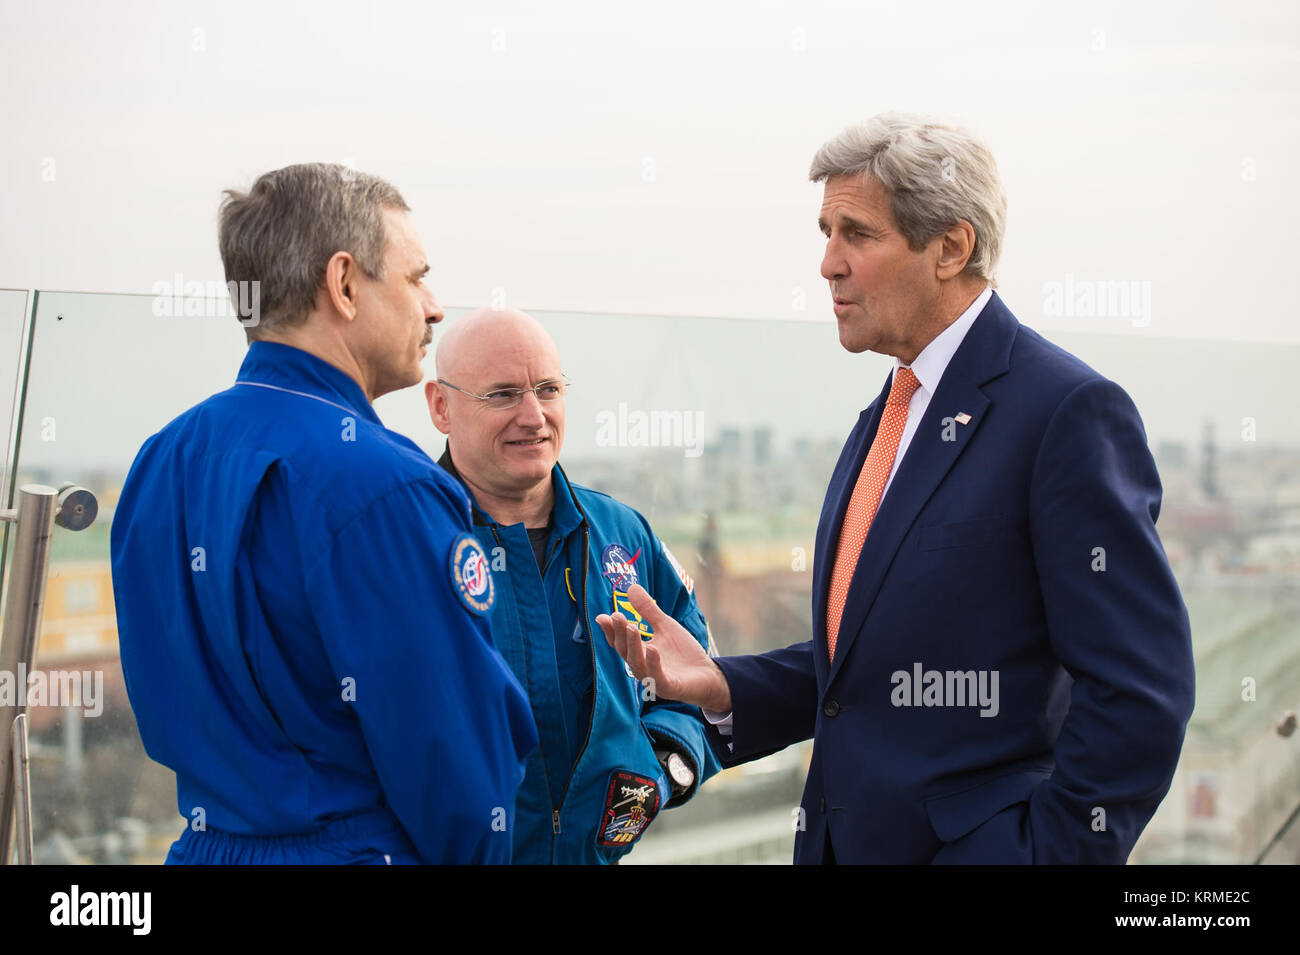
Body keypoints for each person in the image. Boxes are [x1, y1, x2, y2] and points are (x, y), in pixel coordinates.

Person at [598, 113, 1196, 864]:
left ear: (951, 247)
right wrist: (723, 682)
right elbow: (871, 665)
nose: (827, 263)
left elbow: (1142, 694)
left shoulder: (1065, 414)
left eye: (857, 233)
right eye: (825, 231)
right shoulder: (890, 411)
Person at [111, 163, 536, 864]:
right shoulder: (384, 486)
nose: (433, 307)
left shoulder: (163, 459)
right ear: (343, 284)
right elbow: (459, 770)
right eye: (415, 277)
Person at [425, 307, 721, 864]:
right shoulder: (406, 542)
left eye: (548, 389)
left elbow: (704, 683)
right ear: (441, 406)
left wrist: (663, 769)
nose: (533, 416)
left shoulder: (623, 536)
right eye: (503, 395)